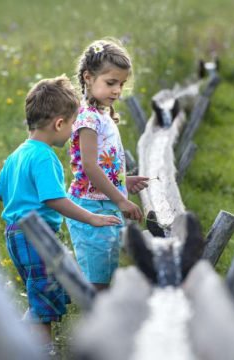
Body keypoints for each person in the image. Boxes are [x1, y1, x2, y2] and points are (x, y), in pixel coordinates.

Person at [0, 75, 121, 353]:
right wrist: (91, 217)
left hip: (15, 234)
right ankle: (40, 351)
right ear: (59, 124)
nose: (74, 130)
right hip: (36, 236)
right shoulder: (44, 156)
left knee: (42, 291)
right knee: (43, 299)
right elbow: (53, 199)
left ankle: (28, 343)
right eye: (73, 124)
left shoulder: (17, 154)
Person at [66, 39, 149, 291]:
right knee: (98, 278)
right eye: (111, 83)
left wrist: (124, 180)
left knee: (105, 268)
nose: (117, 91)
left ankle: (102, 318)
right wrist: (122, 200)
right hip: (91, 205)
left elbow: (103, 164)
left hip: (105, 200)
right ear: (88, 78)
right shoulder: (87, 118)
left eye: (121, 84)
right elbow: (90, 167)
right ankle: (97, 323)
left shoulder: (102, 113)